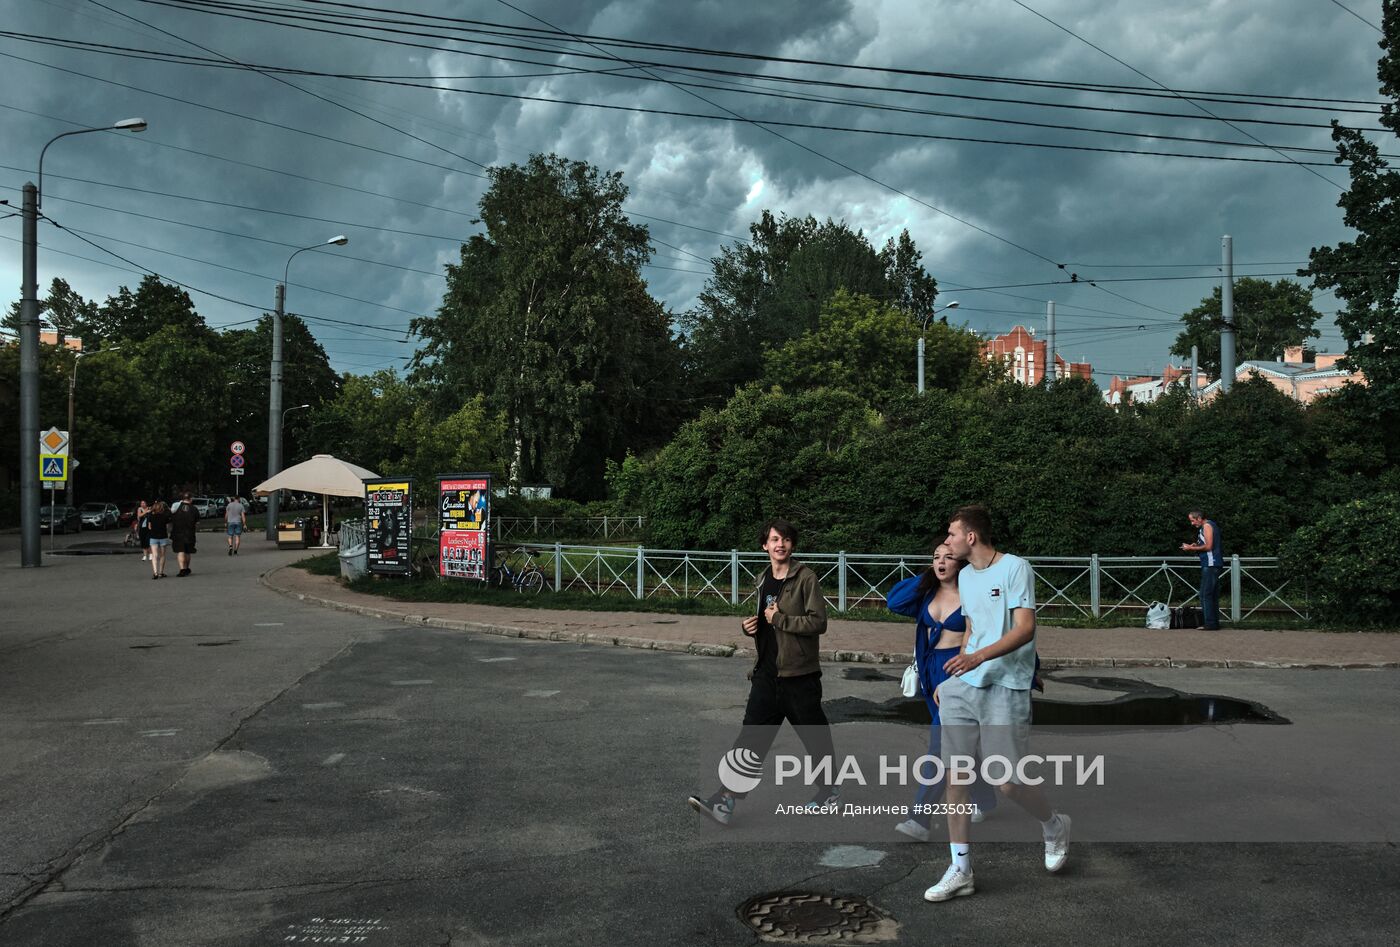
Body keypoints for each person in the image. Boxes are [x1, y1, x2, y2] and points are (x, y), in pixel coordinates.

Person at [925, 505, 1070, 903]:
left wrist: (978, 657)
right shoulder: (967, 576)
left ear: (970, 537)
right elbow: (971, 628)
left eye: (952, 534)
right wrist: (953, 676)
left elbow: (1025, 628)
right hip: (965, 685)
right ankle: (961, 869)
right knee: (956, 775)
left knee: (1007, 783)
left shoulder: (1015, 568)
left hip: (1006, 685)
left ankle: (1054, 824)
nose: (948, 540)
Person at [688, 518, 836, 826]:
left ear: (792, 545)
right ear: (764, 546)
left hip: (799, 676)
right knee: (750, 741)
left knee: (815, 739)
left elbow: (818, 622)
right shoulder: (762, 579)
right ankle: (725, 801)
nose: (780, 544)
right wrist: (748, 627)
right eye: (774, 539)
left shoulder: (806, 578)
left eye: (785, 539)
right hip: (766, 676)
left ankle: (828, 792)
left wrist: (780, 619)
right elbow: (765, 622)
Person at [886, 544, 998, 842]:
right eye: (936, 557)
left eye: (948, 556)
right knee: (957, 744)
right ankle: (985, 799)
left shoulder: (974, 593)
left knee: (940, 745)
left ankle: (919, 819)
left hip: (959, 672)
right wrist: (926, 577)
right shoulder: (926, 592)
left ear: (961, 561)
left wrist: (1032, 668)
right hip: (929, 672)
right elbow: (894, 602)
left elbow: (1002, 630)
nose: (941, 561)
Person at [1180, 510, 1222, 630]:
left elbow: (1208, 546)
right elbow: (1206, 544)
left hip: (1210, 564)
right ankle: (1213, 623)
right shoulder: (1209, 525)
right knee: (1212, 595)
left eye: (1193, 520)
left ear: (1199, 518)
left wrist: (1190, 548)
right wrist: (1195, 545)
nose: (1192, 523)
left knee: (1205, 594)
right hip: (1213, 564)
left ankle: (1209, 624)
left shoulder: (1207, 526)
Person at [170, 492, 199, 577]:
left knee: (180, 551)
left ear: (182, 499)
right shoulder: (194, 509)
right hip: (189, 533)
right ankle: (186, 568)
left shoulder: (176, 506)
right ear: (190, 499)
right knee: (188, 551)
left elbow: (170, 517)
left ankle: (182, 569)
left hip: (177, 532)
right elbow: (197, 523)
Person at [146, 500, 171, 579]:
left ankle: (155, 573)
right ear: (161, 508)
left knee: (154, 555)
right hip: (163, 536)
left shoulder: (151, 516)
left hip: (153, 537)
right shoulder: (165, 516)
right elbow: (167, 527)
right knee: (162, 555)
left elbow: (149, 527)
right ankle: (161, 572)